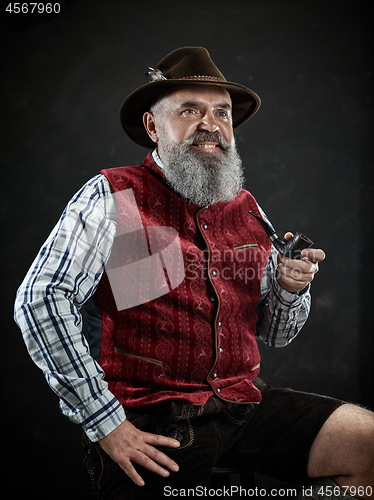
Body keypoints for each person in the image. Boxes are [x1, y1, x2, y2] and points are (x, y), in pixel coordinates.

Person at [14, 47, 374, 499]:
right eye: (190, 110)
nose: (211, 124)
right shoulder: (113, 196)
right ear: (152, 127)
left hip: (242, 405)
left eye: (221, 112)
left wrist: (287, 288)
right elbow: (41, 300)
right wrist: (104, 423)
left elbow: (276, 333)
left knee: (370, 447)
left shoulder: (247, 210)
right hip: (152, 422)